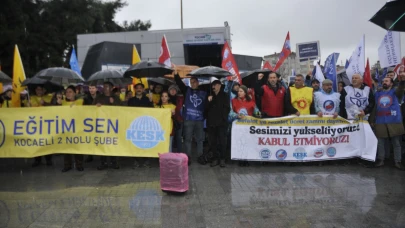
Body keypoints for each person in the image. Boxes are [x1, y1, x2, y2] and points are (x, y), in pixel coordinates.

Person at [370, 74, 405, 170]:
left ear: (391, 83)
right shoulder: (378, 93)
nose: (384, 82)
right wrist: (372, 119)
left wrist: (402, 81)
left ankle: (398, 161)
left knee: (396, 142)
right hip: (380, 121)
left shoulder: (395, 92)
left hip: (394, 121)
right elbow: (375, 107)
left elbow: (401, 89)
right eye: (383, 81)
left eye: (386, 81)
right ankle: (381, 160)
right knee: (380, 142)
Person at [174, 74, 207, 164]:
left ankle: (200, 156)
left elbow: (207, 106)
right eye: (191, 82)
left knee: (200, 139)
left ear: (198, 83)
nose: (193, 84)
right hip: (188, 119)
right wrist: (176, 75)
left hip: (199, 120)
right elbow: (180, 83)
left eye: (194, 82)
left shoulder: (204, 92)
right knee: (187, 139)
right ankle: (187, 157)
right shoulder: (187, 90)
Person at [94, 82, 122, 170]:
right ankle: (103, 162)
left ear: (111, 88)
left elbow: (122, 109)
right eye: (104, 86)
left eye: (106, 86)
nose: (104, 88)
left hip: (113, 125)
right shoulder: (99, 97)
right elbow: (91, 108)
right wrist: (96, 106)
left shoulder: (116, 98)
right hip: (102, 125)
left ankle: (114, 161)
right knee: (103, 144)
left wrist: (113, 103)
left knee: (112, 143)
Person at [230, 85, 259, 166]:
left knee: (247, 142)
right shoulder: (233, 101)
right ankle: (239, 158)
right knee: (239, 142)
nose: (239, 93)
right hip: (237, 127)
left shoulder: (251, 102)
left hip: (248, 127)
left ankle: (246, 158)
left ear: (245, 93)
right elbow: (230, 113)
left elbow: (256, 111)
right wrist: (236, 115)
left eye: (241, 91)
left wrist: (258, 114)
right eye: (238, 91)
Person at [57, 85, 84, 172]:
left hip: (77, 128)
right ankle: (67, 165)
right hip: (66, 128)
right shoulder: (62, 102)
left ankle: (79, 164)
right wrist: (57, 103)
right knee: (66, 147)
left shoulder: (80, 101)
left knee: (78, 147)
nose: (68, 94)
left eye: (70, 92)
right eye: (67, 92)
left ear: (75, 93)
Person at [127, 83, 154, 168]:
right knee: (135, 143)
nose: (139, 89)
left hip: (145, 125)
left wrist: (151, 101)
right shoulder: (131, 100)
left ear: (143, 90)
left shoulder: (147, 99)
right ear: (135, 90)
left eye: (140, 88)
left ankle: (146, 160)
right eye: (137, 88)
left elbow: (153, 111)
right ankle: (136, 161)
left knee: (145, 143)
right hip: (135, 125)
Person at [205, 80, 230, 167]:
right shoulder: (210, 96)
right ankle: (215, 158)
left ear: (219, 85)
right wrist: (208, 101)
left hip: (221, 123)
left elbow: (227, 108)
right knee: (213, 142)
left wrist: (223, 117)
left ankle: (223, 159)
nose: (213, 87)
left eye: (215, 85)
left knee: (223, 141)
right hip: (212, 123)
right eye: (212, 85)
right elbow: (206, 109)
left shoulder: (224, 95)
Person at [30, 85, 54, 167]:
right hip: (35, 123)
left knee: (47, 142)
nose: (39, 91)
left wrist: (45, 104)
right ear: (35, 90)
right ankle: (37, 159)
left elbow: (53, 107)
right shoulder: (31, 98)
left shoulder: (48, 97)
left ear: (43, 90)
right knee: (36, 142)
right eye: (37, 89)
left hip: (46, 123)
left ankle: (48, 159)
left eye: (41, 89)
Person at [168, 84, 184, 152]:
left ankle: (179, 153)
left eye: (174, 89)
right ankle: (169, 152)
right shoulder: (166, 98)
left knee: (178, 137)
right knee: (170, 137)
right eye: (171, 89)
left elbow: (179, 108)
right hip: (169, 121)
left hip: (178, 120)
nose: (173, 91)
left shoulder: (180, 98)